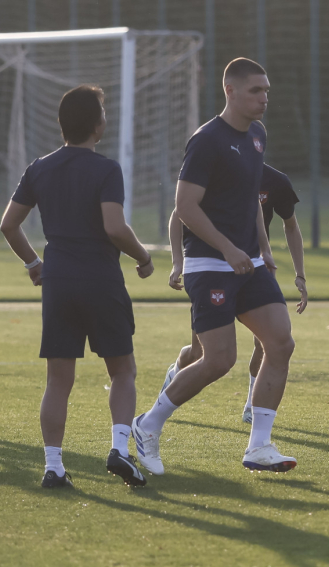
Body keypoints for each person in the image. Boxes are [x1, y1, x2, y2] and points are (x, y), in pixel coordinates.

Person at [132, 58, 297, 475]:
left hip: (249, 263)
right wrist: (226, 249)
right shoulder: (207, 140)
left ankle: (259, 446)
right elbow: (185, 206)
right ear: (231, 91)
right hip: (210, 264)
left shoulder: (257, 135)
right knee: (219, 359)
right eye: (255, 91)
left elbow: (249, 202)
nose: (263, 98)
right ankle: (147, 425)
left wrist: (262, 249)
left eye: (266, 90)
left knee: (280, 342)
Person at [0, 85, 154, 488]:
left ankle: (53, 467)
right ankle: (120, 450)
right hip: (100, 278)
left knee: (58, 380)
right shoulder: (106, 169)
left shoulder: (39, 168)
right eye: (103, 111)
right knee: (123, 370)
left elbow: (8, 225)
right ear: (97, 124)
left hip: (58, 279)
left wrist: (34, 263)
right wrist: (143, 257)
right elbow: (115, 228)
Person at [163, 162, 308, 424]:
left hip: (253, 268)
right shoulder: (212, 172)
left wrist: (299, 274)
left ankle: (253, 404)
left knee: (270, 341)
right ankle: (172, 381)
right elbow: (179, 214)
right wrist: (177, 262)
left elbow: (290, 226)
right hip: (212, 271)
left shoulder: (277, 181)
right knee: (200, 353)